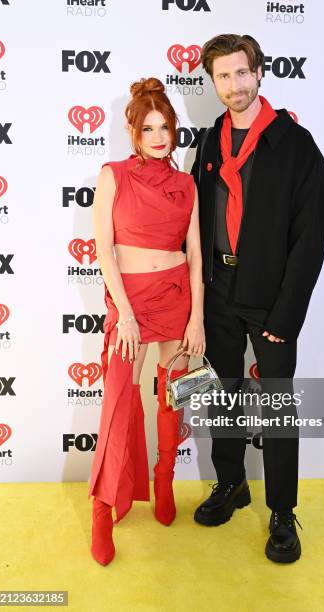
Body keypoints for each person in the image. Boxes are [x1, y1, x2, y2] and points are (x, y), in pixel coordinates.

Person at [191, 34, 324, 563]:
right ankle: (232, 483)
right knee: (224, 393)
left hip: (272, 299)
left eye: (241, 73)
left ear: (259, 73)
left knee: (276, 407)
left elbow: (312, 234)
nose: (234, 85)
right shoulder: (209, 143)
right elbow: (196, 226)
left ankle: (282, 512)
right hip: (218, 293)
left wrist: (287, 313)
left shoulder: (295, 144)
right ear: (214, 82)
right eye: (222, 76)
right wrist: (195, 301)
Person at [87, 77, 205, 566]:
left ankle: (164, 480)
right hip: (129, 301)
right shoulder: (112, 175)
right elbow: (104, 251)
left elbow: (195, 255)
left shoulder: (186, 183)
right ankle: (102, 506)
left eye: (166, 128)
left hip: (176, 294)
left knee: (174, 391)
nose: (159, 138)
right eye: (149, 128)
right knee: (118, 398)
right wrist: (126, 315)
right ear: (133, 133)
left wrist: (197, 317)